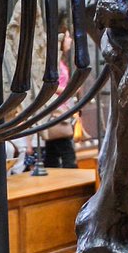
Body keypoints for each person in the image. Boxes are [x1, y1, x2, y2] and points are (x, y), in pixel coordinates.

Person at [42, 29, 77, 168]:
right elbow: (49, 85)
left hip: (61, 107)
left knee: (53, 151)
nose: (70, 40)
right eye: (68, 37)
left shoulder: (61, 60)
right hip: (56, 110)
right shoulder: (54, 62)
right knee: (66, 149)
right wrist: (68, 90)